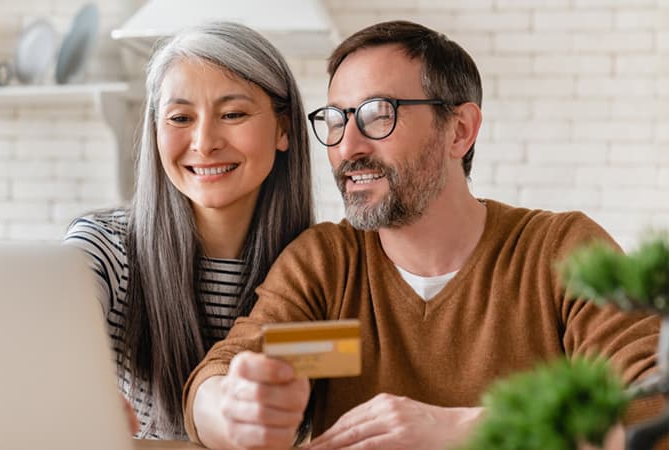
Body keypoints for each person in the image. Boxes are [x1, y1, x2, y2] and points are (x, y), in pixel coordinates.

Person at [183, 20, 661, 450]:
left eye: (377, 114)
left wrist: (458, 429)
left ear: (459, 130)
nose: (348, 147)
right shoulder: (328, 267)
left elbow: (652, 409)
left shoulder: (558, 252)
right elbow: (221, 375)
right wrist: (234, 409)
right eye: (335, 120)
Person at [63, 21, 313, 440]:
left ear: (283, 128)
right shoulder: (106, 247)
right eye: (180, 117)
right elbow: (56, 326)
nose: (204, 141)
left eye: (233, 114)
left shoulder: (317, 267)